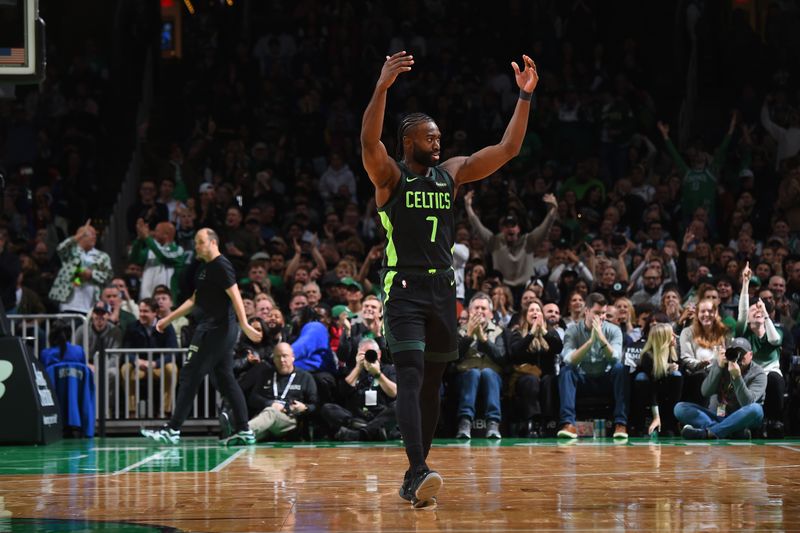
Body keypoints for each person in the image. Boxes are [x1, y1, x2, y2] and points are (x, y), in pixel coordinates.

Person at [360, 50, 539, 507]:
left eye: (439, 137)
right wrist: (381, 87)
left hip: (444, 289)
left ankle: (414, 474)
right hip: (403, 287)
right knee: (412, 373)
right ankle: (418, 468)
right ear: (408, 141)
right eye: (429, 137)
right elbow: (367, 142)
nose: (437, 143)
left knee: (434, 382)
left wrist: (523, 97)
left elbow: (506, 150)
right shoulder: (390, 176)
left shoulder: (451, 174)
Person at [141, 228, 262, 445]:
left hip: (218, 330)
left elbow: (235, 295)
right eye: (196, 242)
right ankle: (245, 430)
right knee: (225, 378)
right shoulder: (204, 269)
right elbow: (195, 299)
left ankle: (173, 429)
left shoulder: (221, 265)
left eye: (200, 242)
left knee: (190, 374)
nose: (196, 246)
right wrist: (167, 319)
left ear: (213, 243)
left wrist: (244, 324)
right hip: (212, 328)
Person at [557, 293, 628, 439]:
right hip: (583, 379)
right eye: (597, 313)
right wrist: (590, 342)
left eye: (603, 313)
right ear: (586, 311)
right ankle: (568, 424)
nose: (601, 317)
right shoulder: (572, 331)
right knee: (566, 371)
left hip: (605, 379)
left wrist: (601, 338)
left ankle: (621, 424)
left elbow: (615, 358)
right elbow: (568, 359)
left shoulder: (614, 330)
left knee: (620, 369)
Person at [675, 338, 766, 439]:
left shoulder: (758, 373)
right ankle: (729, 432)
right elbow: (705, 391)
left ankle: (709, 433)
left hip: (742, 418)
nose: (739, 357)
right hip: (719, 415)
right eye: (736, 353)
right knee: (680, 408)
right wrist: (718, 367)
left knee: (756, 409)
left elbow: (747, 403)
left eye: (742, 353)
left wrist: (737, 377)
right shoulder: (722, 365)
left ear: (751, 355)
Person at [321, 338, 398, 441]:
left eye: (370, 353)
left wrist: (378, 374)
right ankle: (371, 430)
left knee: (398, 406)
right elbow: (343, 392)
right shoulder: (353, 370)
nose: (367, 357)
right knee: (327, 408)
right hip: (357, 417)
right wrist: (358, 368)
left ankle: (359, 434)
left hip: (380, 415)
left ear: (379, 354)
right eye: (363, 354)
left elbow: (394, 393)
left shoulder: (389, 370)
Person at [509, 300, 563, 437]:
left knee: (548, 381)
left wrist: (543, 332)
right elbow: (515, 352)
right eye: (531, 310)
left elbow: (558, 348)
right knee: (531, 380)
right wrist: (531, 334)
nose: (535, 313)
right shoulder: (518, 333)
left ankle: (546, 422)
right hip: (525, 377)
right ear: (525, 315)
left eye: (538, 310)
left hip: (546, 377)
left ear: (542, 315)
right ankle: (532, 422)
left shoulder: (550, 332)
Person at [48, 219, 113, 314]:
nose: (94, 236)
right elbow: (60, 248)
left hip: (91, 305)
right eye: (90, 233)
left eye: (95, 234)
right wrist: (79, 236)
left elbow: (109, 276)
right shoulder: (70, 252)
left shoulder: (102, 256)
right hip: (68, 304)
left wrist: (91, 274)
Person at [630, 323, 683, 437]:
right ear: (663, 339)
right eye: (671, 335)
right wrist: (656, 416)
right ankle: (641, 424)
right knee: (641, 378)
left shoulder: (673, 352)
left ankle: (671, 423)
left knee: (677, 375)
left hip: (666, 391)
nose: (675, 337)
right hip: (648, 389)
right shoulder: (647, 356)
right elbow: (652, 387)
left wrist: (669, 369)